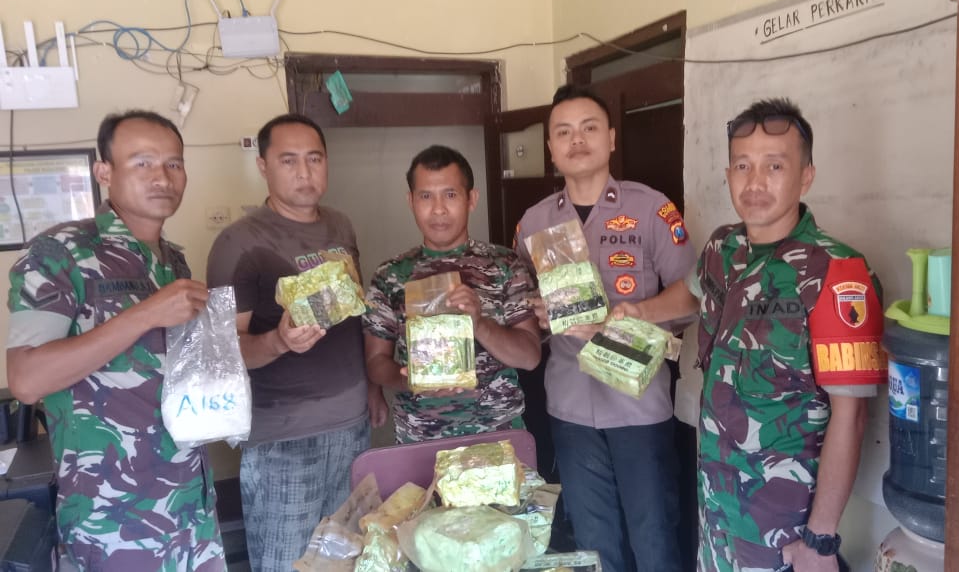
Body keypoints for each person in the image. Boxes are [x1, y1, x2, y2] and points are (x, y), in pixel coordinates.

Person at [618, 98, 885, 572]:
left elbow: (852, 416)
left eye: (774, 166)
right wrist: (640, 311)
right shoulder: (723, 246)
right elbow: (692, 292)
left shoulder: (837, 273)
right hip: (716, 511)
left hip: (783, 529)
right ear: (728, 175)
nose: (755, 182)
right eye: (743, 166)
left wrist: (820, 541)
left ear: (806, 176)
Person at [6, 111, 225, 570]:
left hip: (190, 501)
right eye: (142, 162)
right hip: (112, 517)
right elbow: (27, 380)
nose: (162, 177)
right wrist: (145, 314)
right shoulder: (61, 252)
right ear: (103, 172)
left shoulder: (173, 262)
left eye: (173, 164)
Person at [513, 85, 696, 572]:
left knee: (654, 536)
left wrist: (637, 312)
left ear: (611, 139)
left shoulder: (651, 209)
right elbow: (521, 308)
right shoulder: (532, 224)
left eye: (589, 128)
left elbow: (693, 295)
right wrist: (538, 315)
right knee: (593, 543)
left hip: (639, 404)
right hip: (570, 405)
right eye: (564, 132)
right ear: (551, 148)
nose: (577, 140)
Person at [206, 113, 376, 571]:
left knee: (346, 559)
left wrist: (374, 389)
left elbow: (354, 316)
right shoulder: (237, 243)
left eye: (314, 158)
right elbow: (224, 351)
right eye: (289, 160)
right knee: (287, 562)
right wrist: (279, 342)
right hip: (284, 439)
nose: (304, 172)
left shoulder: (341, 226)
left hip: (352, 426)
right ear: (263, 166)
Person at [363, 145, 541, 444]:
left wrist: (479, 323)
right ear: (410, 201)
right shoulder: (390, 275)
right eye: (425, 196)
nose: (438, 209)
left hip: (498, 436)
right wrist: (410, 381)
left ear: (472, 199)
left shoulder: (505, 265)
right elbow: (375, 362)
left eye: (450, 194)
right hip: (420, 437)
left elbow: (530, 357)